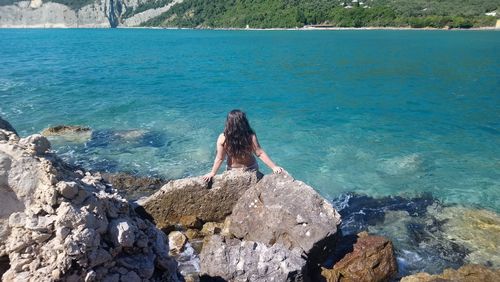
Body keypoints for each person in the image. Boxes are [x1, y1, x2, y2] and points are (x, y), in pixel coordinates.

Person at [203, 109, 284, 182]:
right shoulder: (250, 136)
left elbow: (220, 158)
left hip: (233, 170)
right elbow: (259, 153)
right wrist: (274, 167)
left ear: (228, 123)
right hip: (250, 168)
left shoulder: (223, 138)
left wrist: (213, 173)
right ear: (244, 122)